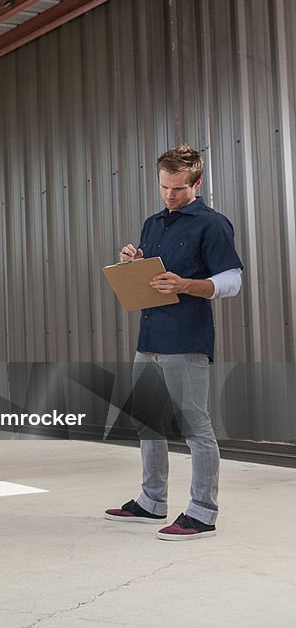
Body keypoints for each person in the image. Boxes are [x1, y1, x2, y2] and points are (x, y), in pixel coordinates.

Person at [104, 144, 242, 540]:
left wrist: (187, 285)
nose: (170, 195)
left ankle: (202, 512)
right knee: (147, 421)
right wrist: (134, 261)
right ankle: (152, 500)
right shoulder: (153, 223)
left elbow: (232, 281)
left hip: (185, 337)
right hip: (150, 334)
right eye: (164, 187)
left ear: (197, 183)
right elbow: (154, 272)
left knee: (195, 425)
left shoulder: (212, 224)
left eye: (178, 189)